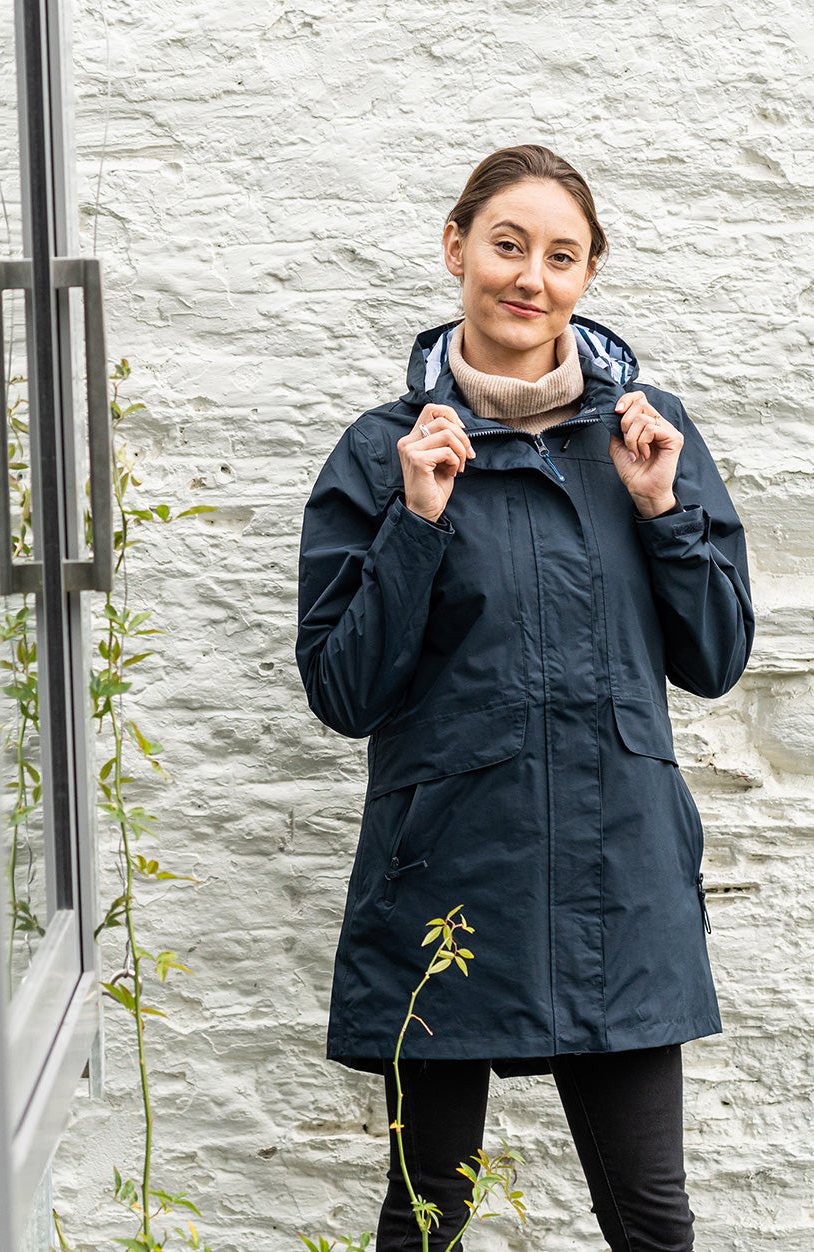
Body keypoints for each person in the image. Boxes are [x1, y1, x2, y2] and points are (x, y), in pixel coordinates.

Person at [296, 144, 753, 1252]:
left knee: (650, 1221)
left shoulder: (646, 434)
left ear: (587, 276)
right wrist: (416, 517)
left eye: (560, 256)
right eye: (507, 245)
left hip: (619, 881)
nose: (528, 277)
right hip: (448, 876)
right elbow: (344, 690)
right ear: (456, 248)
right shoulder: (382, 449)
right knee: (424, 1217)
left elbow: (716, 655)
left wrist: (662, 513)